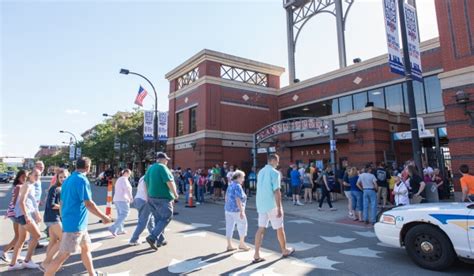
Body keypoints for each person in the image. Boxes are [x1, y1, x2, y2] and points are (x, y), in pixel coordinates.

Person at [44, 157, 112, 276]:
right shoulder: (82, 180)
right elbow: (89, 203)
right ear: (88, 167)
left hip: (75, 223)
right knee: (63, 255)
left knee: (85, 249)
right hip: (75, 225)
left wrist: (63, 218)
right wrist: (104, 217)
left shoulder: (68, 179)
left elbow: (62, 203)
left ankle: (92, 274)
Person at [253, 154, 294, 263]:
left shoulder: (260, 172)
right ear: (273, 160)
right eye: (277, 161)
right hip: (272, 204)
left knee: (260, 229)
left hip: (261, 204)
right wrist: (279, 207)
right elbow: (277, 191)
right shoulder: (275, 173)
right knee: (279, 228)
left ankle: (256, 254)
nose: (278, 163)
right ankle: (284, 250)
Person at [8, 169, 42, 270]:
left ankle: (13, 264)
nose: (37, 177)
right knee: (37, 235)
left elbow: (31, 202)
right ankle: (27, 261)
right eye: (35, 175)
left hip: (23, 215)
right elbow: (22, 201)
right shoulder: (27, 185)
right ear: (30, 175)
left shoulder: (30, 185)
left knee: (22, 239)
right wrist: (27, 216)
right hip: (24, 215)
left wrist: (36, 213)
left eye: (39, 176)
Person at [145, 152, 179, 250]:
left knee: (158, 219)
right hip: (163, 197)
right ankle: (152, 237)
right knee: (167, 217)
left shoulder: (150, 168)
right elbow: (169, 181)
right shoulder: (162, 167)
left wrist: (148, 194)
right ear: (162, 159)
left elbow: (146, 182)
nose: (167, 161)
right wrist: (175, 194)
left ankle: (160, 240)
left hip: (152, 197)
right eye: (166, 159)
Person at [41, 169, 69, 270]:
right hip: (52, 218)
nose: (63, 179)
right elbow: (51, 204)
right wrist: (64, 206)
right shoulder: (54, 188)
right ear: (57, 178)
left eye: (65, 177)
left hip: (54, 218)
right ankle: (46, 262)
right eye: (60, 177)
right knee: (63, 239)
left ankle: (49, 264)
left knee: (53, 241)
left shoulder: (63, 188)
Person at [1, 170, 28, 263]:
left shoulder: (21, 186)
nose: (25, 179)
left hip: (16, 214)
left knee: (19, 236)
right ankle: (4, 252)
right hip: (16, 214)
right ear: (19, 177)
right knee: (19, 237)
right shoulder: (18, 187)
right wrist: (10, 211)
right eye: (23, 177)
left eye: (26, 177)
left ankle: (14, 253)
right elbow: (14, 200)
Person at [224, 170, 250, 251]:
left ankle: (229, 245)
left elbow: (226, 197)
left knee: (229, 226)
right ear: (238, 177)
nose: (243, 179)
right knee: (243, 225)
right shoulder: (238, 186)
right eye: (242, 177)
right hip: (236, 210)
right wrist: (242, 211)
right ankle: (241, 243)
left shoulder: (230, 184)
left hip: (228, 209)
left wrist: (228, 205)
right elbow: (238, 199)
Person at [129, 176, 155, 246]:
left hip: (138, 199)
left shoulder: (142, 177)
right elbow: (148, 188)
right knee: (143, 222)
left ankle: (152, 237)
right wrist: (147, 198)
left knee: (150, 220)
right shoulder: (149, 177)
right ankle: (133, 239)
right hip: (144, 200)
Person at [109, 169, 133, 237]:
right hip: (123, 199)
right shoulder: (124, 179)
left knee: (120, 215)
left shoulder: (119, 179)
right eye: (129, 173)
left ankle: (120, 229)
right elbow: (127, 189)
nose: (130, 175)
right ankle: (113, 228)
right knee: (125, 214)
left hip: (117, 199)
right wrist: (131, 198)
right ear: (126, 173)